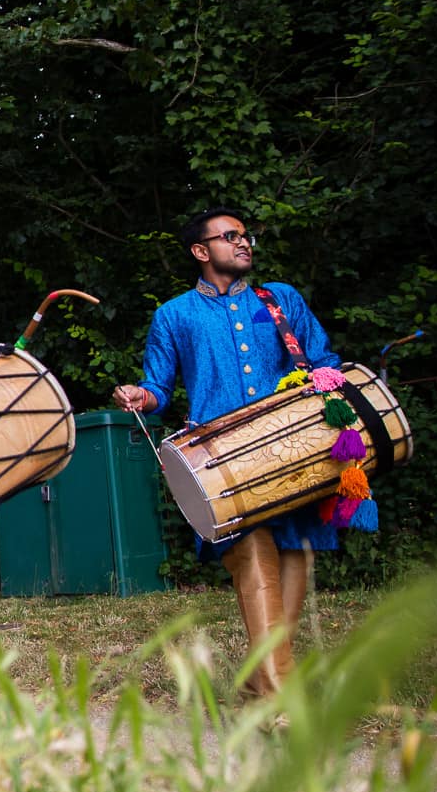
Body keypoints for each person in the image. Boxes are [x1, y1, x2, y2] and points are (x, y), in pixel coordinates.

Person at [113, 209, 353, 696]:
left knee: (296, 559)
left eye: (246, 236)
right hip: (222, 461)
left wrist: (327, 386)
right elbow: (158, 387)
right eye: (230, 236)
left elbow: (324, 359)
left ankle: (256, 681)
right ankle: (279, 697)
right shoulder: (175, 315)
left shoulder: (281, 299)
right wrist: (142, 396)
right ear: (201, 252)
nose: (243, 244)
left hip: (294, 451)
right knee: (252, 556)